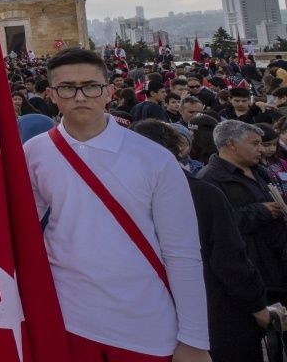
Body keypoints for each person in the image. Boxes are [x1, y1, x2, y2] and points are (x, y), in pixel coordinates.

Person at [26, 47, 208, 361]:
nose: (80, 96)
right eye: (67, 88)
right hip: (67, 319)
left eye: (91, 86)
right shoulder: (34, 153)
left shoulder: (154, 159)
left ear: (109, 91)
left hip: (145, 325)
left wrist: (194, 338)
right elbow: (25, 230)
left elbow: (182, 252)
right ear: (52, 94)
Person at [133, 120, 272, 362]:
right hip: (214, 314)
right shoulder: (204, 190)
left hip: (155, 317)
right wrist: (257, 305)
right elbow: (229, 257)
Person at [197, 120, 287, 303]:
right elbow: (212, 229)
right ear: (231, 144)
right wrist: (257, 212)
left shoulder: (260, 171)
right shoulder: (210, 179)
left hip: (277, 263)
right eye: (255, 143)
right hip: (250, 271)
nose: (261, 149)